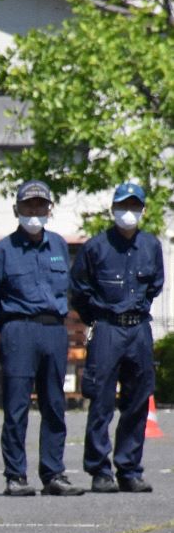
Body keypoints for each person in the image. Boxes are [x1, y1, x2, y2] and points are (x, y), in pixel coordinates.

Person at [0, 180, 81, 497]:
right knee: (16, 407)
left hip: (54, 330)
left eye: (40, 205)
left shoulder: (59, 246)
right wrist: (10, 327)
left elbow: (67, 289)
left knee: (54, 405)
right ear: (17, 209)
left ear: (49, 209)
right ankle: (16, 475)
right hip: (18, 329)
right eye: (29, 206)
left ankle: (54, 473)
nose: (34, 211)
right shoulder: (2, 250)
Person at [71, 182, 164, 493]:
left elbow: (155, 286)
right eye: (124, 206)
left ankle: (129, 468)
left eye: (135, 206)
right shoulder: (96, 247)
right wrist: (98, 319)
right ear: (113, 209)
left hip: (138, 328)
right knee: (101, 401)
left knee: (138, 401)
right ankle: (100, 470)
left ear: (143, 209)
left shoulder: (151, 245)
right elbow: (80, 290)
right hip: (108, 327)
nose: (129, 212)